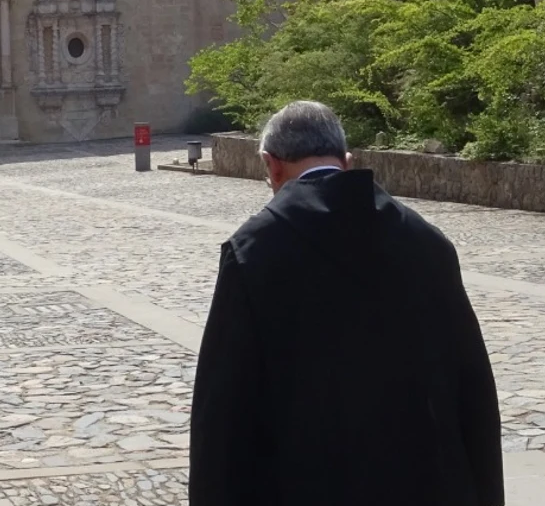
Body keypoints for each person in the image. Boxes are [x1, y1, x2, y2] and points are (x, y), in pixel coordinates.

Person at [189, 100, 502, 506]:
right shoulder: (427, 243)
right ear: (348, 161)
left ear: (272, 166)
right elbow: (473, 390)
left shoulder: (254, 252)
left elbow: (223, 414)